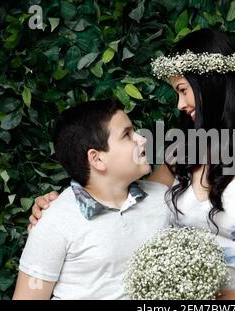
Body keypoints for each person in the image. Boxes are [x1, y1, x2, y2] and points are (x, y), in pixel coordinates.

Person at [30, 28, 235, 300]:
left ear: (211, 84)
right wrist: (64, 207)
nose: (180, 104)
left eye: (183, 90)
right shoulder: (186, 147)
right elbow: (130, 202)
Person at [13, 99, 171, 299]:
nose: (142, 139)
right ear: (97, 159)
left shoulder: (161, 199)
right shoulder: (55, 220)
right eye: (127, 135)